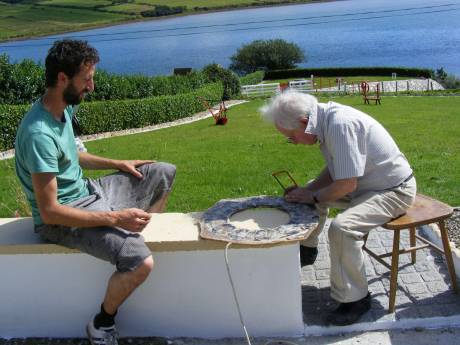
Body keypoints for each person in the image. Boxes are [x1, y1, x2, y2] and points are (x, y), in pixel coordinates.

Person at [14, 39, 176, 345]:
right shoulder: (38, 134)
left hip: (91, 193)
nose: (92, 86)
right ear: (63, 78)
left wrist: (118, 163)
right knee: (141, 261)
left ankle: (133, 230)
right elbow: (50, 211)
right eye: (86, 79)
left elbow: (72, 155)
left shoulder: (63, 107)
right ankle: (101, 324)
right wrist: (116, 218)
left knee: (162, 172)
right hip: (62, 220)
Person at [260, 91, 416, 325]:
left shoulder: (340, 125)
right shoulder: (325, 120)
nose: (294, 143)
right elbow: (337, 169)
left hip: (393, 190)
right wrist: (308, 190)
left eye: (292, 137)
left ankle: (355, 299)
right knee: (311, 197)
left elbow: (346, 183)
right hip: (367, 184)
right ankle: (308, 249)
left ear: (303, 123)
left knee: (342, 229)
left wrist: (312, 195)